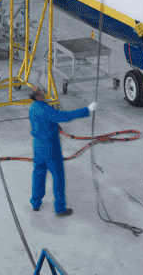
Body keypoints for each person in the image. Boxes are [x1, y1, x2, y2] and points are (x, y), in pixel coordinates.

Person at [28, 86, 96, 216]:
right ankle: (60, 208)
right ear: (38, 96)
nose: (44, 92)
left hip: (38, 146)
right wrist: (87, 109)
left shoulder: (33, 108)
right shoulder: (45, 109)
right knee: (58, 176)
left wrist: (53, 124)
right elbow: (65, 116)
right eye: (42, 92)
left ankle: (35, 203)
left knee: (38, 174)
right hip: (50, 147)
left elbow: (42, 122)